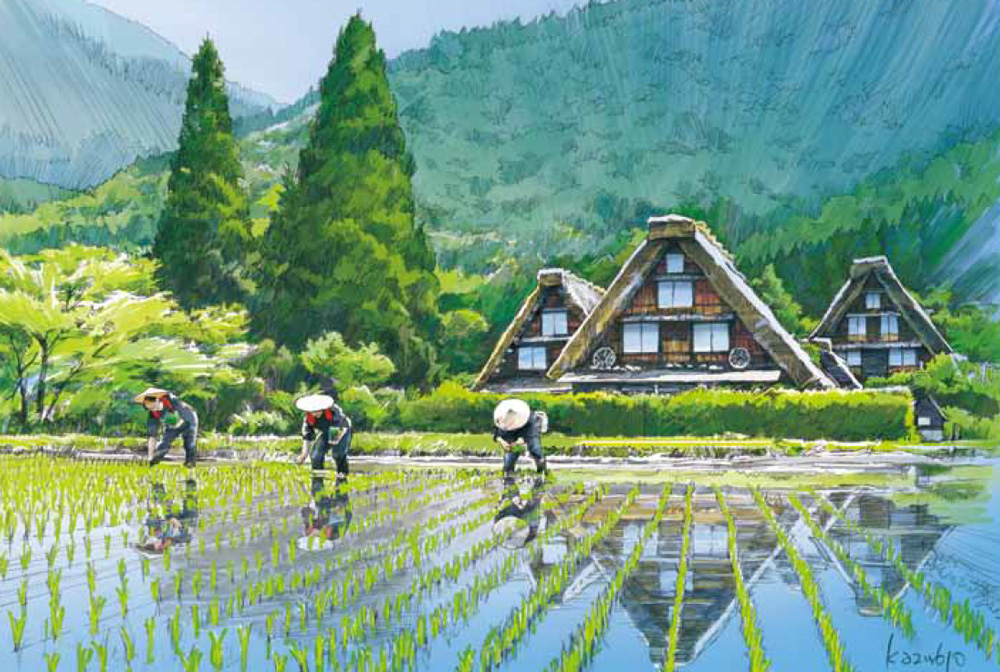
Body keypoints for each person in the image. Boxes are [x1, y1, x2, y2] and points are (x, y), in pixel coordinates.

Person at [134, 387, 198, 467]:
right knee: (164, 443)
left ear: (157, 400)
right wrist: (150, 456)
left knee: (189, 443)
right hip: (172, 423)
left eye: (154, 407)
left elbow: (180, 418)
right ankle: (153, 463)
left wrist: (175, 423)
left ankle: (190, 463)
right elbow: (152, 436)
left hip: (189, 419)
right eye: (150, 409)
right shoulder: (153, 415)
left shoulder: (172, 401)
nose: (154, 410)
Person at [295, 391, 353, 479]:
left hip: (342, 429)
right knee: (315, 455)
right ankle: (318, 476)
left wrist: (332, 445)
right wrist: (303, 455)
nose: (315, 413)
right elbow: (307, 436)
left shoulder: (334, 411)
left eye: (317, 410)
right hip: (326, 432)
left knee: (337, 454)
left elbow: (337, 430)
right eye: (313, 411)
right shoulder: (308, 419)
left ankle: (342, 475)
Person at [135, 478, 199, 555]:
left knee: (163, 514)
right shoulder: (180, 541)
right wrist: (175, 523)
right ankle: (191, 485)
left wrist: (158, 518)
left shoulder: (159, 536)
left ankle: (158, 487)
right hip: (188, 520)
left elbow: (155, 522)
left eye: (153, 543)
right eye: (154, 544)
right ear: (161, 547)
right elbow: (187, 532)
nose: (156, 541)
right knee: (190, 510)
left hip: (174, 519)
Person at [493, 398, 547, 476]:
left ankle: (542, 472)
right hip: (510, 433)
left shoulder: (529, 418)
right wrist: (502, 442)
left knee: (534, 449)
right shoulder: (500, 416)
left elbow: (529, 434)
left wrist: (520, 441)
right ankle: (508, 475)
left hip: (529, 430)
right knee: (510, 457)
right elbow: (497, 433)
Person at [298, 475, 353, 551]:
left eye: (306, 533)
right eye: (308, 533)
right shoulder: (335, 531)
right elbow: (335, 515)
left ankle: (317, 476)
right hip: (340, 514)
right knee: (337, 497)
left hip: (327, 516)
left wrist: (309, 509)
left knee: (318, 496)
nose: (306, 532)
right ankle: (341, 477)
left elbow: (305, 511)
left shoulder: (310, 527)